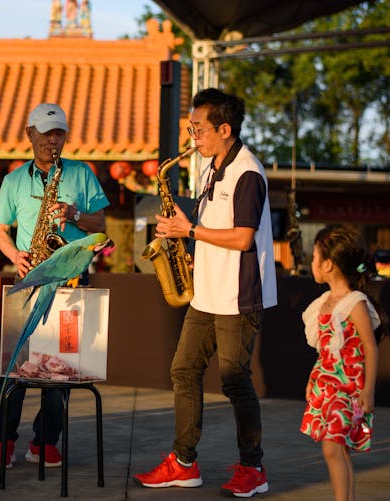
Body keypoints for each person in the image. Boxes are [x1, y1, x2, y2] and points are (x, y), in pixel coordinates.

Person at [134, 88, 277, 497]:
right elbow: (216, 227)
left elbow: (244, 238)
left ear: (225, 130)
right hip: (207, 292)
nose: (191, 137)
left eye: (198, 130)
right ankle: (183, 462)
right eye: (190, 128)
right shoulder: (211, 167)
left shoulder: (247, 171)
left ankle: (253, 467)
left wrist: (189, 231)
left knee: (234, 381)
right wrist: (187, 236)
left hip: (238, 294)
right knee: (183, 369)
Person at [0, 103, 109, 469]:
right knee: (15, 364)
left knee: (62, 366)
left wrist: (73, 214)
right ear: (30, 134)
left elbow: (101, 221)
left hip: (71, 280)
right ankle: (4, 439)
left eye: (59, 134)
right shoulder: (12, 181)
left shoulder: (81, 173)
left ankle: (46, 441)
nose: (52, 141)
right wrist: (15, 255)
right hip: (29, 277)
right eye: (46, 133)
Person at [300, 225, 385, 501]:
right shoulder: (323, 303)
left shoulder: (355, 303)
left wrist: (368, 391)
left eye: (314, 258)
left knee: (332, 447)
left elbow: (370, 348)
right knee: (340, 448)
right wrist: (313, 380)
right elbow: (325, 352)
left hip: (349, 389)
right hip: (327, 386)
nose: (311, 263)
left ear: (328, 265)